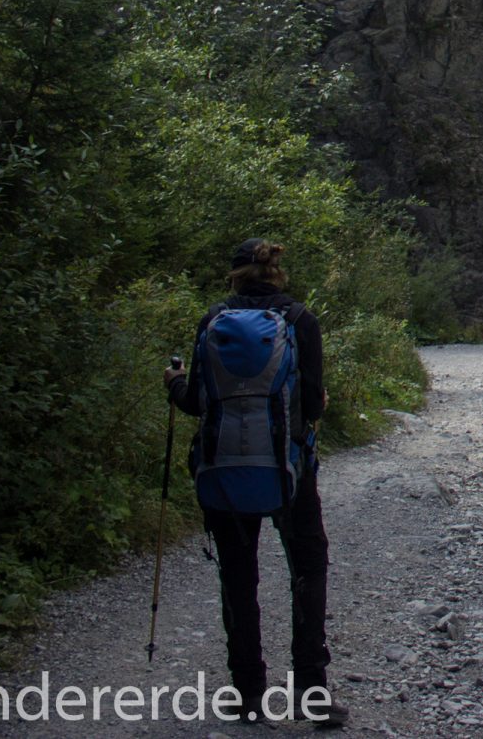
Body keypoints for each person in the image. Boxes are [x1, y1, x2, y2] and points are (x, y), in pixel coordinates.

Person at [165, 239, 348, 728]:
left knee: (239, 576)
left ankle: (247, 693)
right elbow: (311, 406)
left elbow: (195, 402)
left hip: (224, 470)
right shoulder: (300, 320)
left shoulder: (213, 320)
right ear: (276, 273)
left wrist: (173, 382)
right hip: (288, 470)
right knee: (307, 568)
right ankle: (311, 692)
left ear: (235, 275)